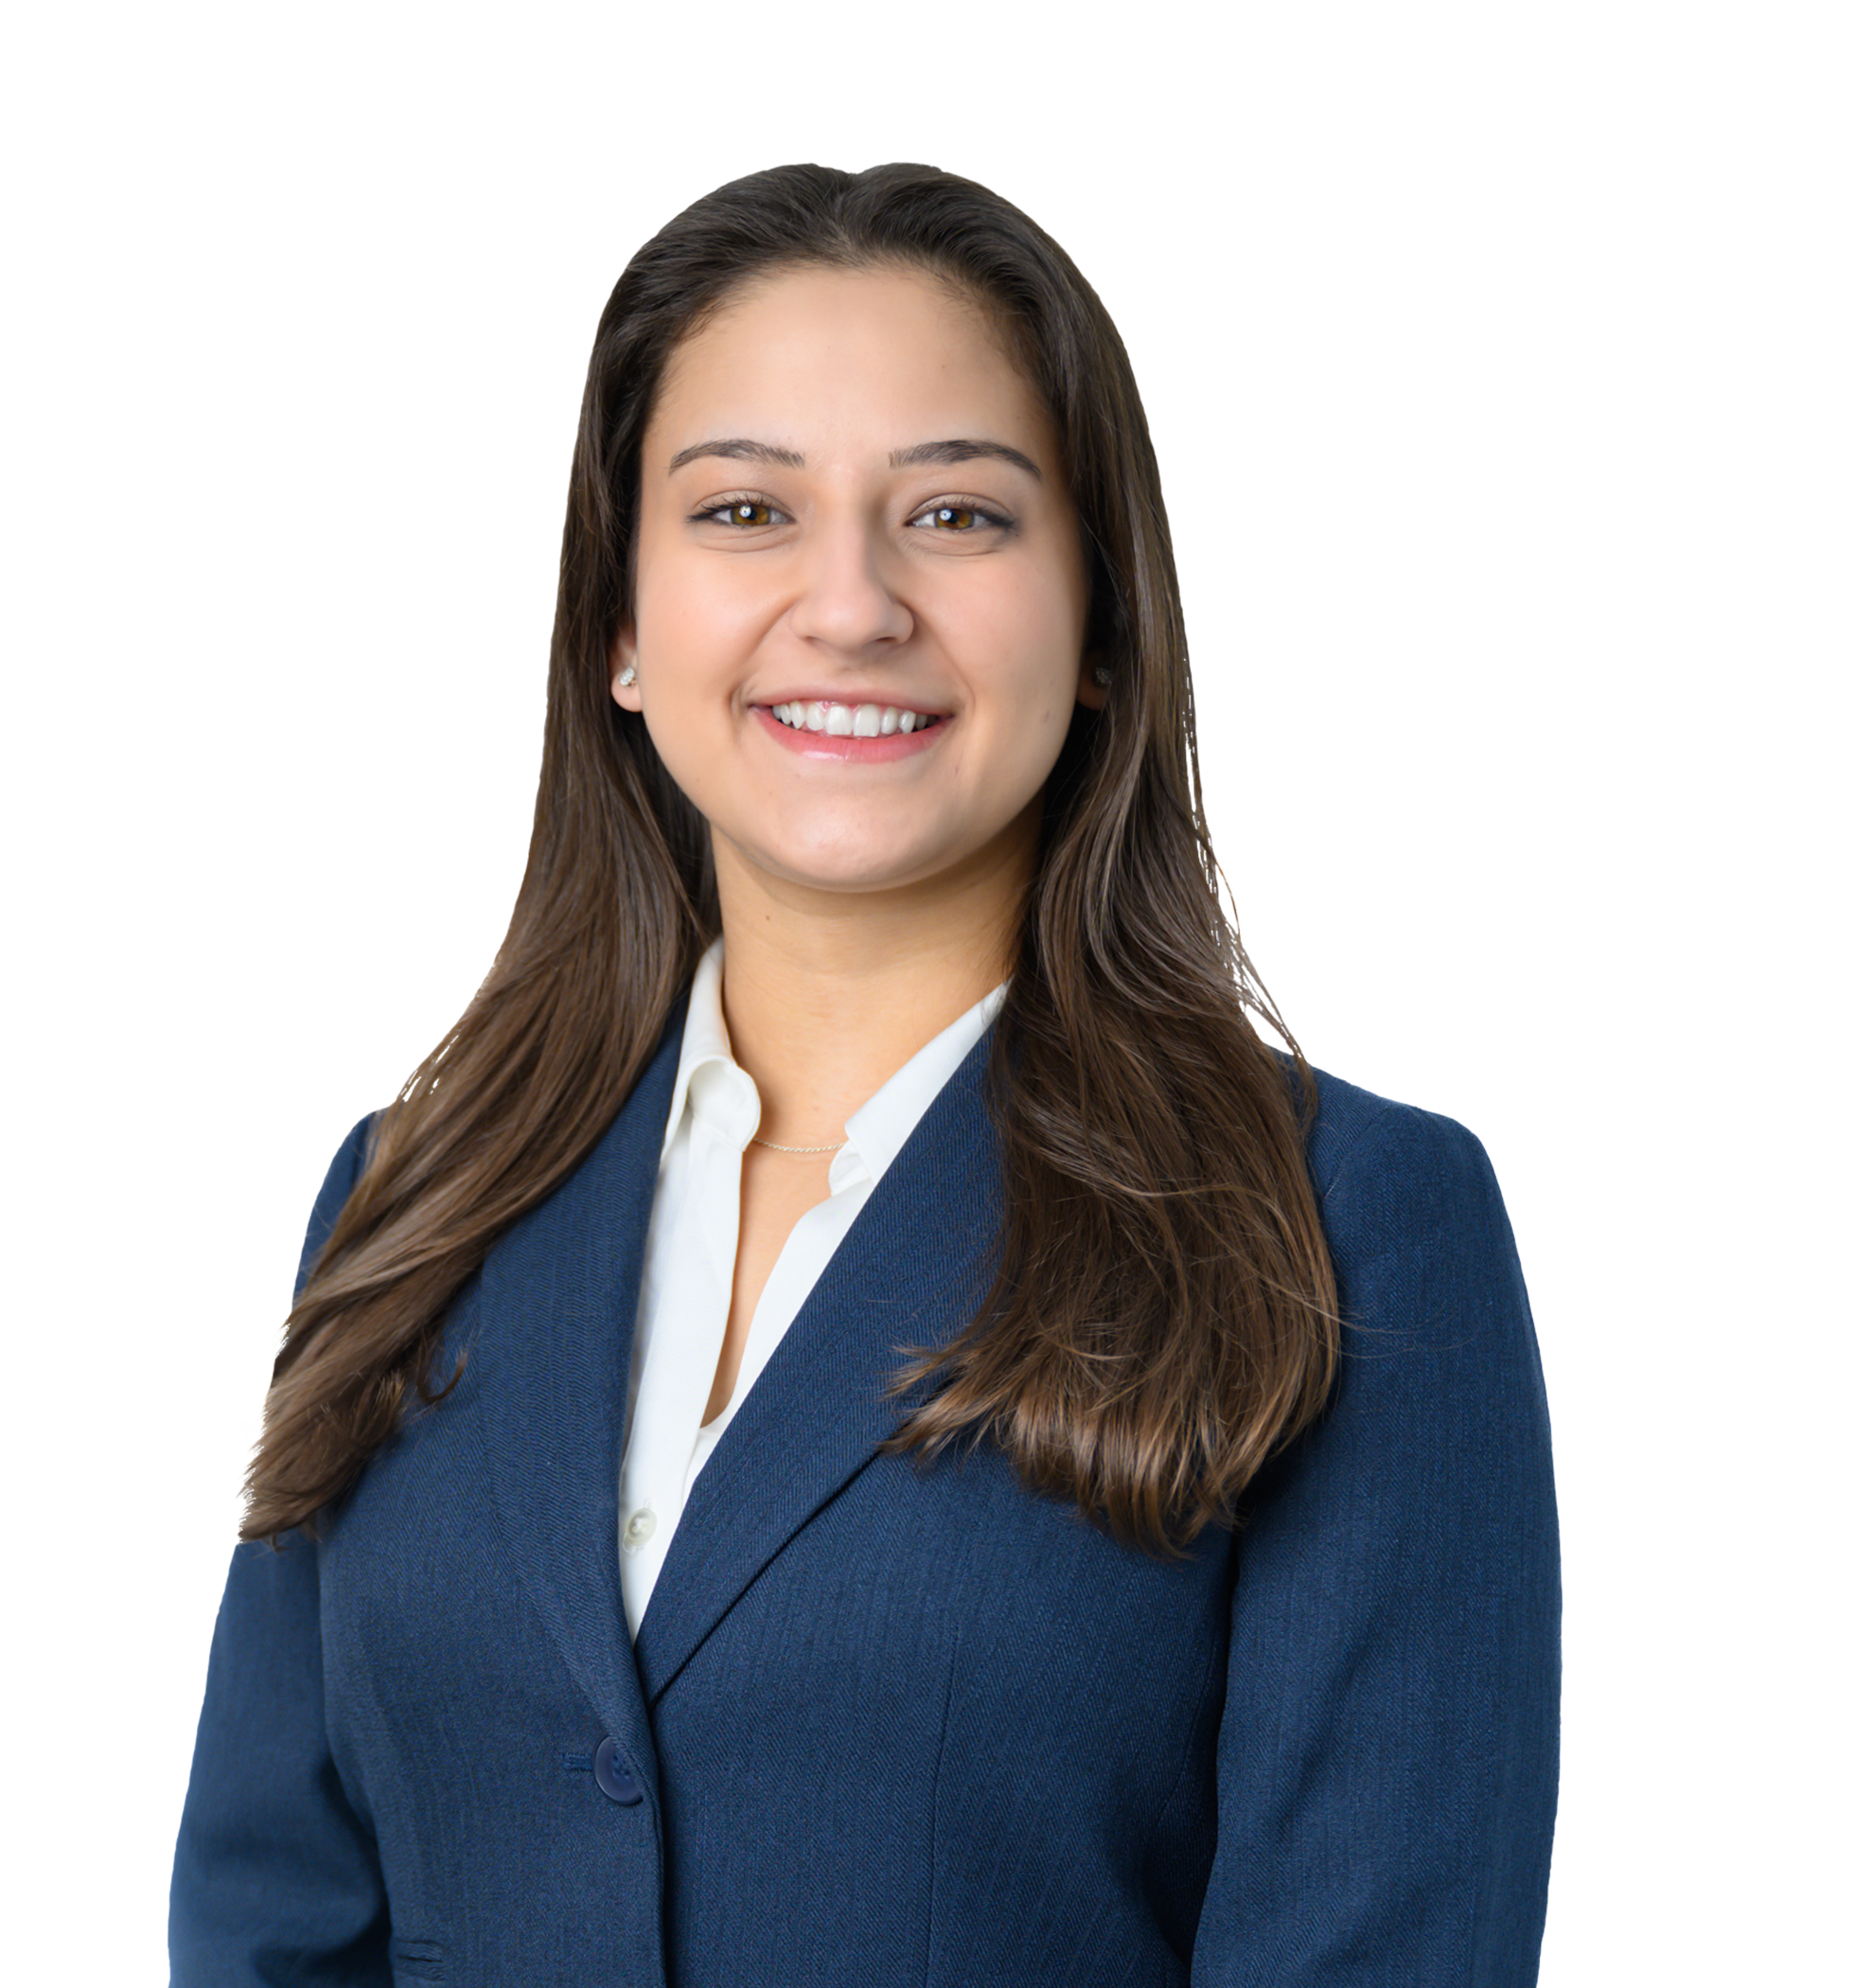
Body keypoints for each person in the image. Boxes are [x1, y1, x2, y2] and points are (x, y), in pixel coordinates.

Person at [170, 161, 1562, 1986]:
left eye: (958, 516)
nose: (849, 605)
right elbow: (268, 1918)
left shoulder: (1348, 1228)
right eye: (744, 508)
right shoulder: (413, 1194)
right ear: (618, 624)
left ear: (1100, 626)